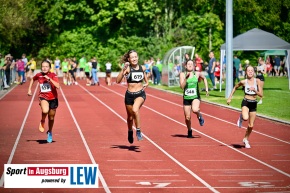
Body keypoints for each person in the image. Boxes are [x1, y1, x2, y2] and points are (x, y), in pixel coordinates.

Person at [116, 50, 149, 144]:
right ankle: (130, 131)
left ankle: (138, 130)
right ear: (129, 59)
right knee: (130, 117)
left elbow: (146, 80)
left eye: (136, 57)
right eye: (132, 57)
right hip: (129, 95)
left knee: (135, 110)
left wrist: (146, 83)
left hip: (140, 94)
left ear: (138, 57)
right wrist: (123, 70)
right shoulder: (128, 69)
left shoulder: (142, 68)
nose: (134, 59)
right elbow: (117, 81)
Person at [227, 65, 263, 148]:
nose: (250, 72)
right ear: (246, 72)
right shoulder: (244, 82)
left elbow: (261, 94)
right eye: (248, 70)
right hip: (246, 102)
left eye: (251, 70)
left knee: (251, 125)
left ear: (254, 72)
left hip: (254, 103)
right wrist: (230, 97)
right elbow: (235, 87)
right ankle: (242, 116)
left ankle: (246, 139)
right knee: (245, 118)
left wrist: (255, 90)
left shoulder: (257, 81)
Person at [27, 60, 60, 143]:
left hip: (53, 98)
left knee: (51, 117)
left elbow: (58, 86)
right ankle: (42, 120)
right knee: (45, 110)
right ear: (41, 67)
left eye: (46, 66)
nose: (44, 68)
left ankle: (50, 132)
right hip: (43, 97)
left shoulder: (53, 75)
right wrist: (29, 89)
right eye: (43, 66)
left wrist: (49, 80)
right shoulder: (39, 75)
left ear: (49, 68)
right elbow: (32, 79)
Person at [179, 60, 209, 138]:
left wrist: (206, 89)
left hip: (195, 97)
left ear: (194, 66)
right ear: (185, 66)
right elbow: (182, 87)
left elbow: (204, 79)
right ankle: (189, 130)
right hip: (186, 98)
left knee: (195, 109)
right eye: (188, 64)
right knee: (187, 117)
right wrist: (185, 79)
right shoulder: (183, 74)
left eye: (191, 64)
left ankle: (199, 115)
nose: (190, 65)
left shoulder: (197, 73)